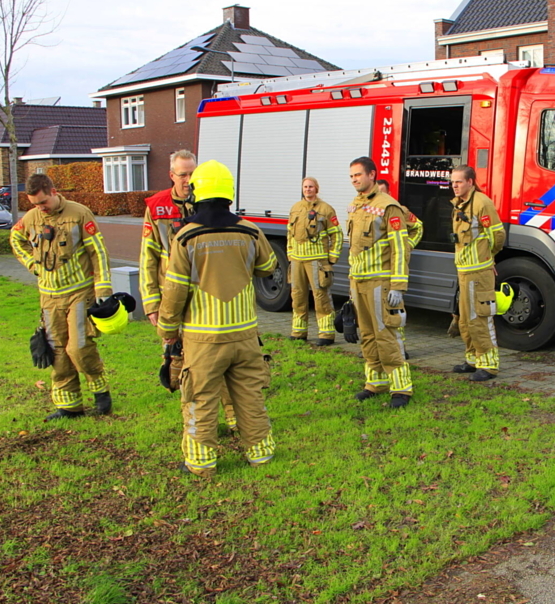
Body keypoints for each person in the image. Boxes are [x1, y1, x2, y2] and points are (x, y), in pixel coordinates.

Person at [157, 160, 278, 478]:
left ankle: (201, 463)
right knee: (249, 394)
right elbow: (269, 266)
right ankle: (260, 454)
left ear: (197, 192)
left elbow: (174, 292)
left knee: (201, 397)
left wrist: (167, 331)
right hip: (245, 335)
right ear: (229, 192)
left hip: (203, 338)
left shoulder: (185, 238)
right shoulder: (250, 230)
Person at [140, 150, 237, 431]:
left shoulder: (209, 203)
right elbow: (148, 257)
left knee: (219, 359)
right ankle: (196, 422)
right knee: (181, 363)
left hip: (208, 298)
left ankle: (233, 418)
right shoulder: (157, 207)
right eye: (182, 174)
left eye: (192, 174)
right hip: (172, 297)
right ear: (171, 175)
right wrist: (151, 303)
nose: (188, 180)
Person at [11, 173, 114, 420]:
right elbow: (15, 239)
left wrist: (103, 289)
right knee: (57, 351)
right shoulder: (31, 218)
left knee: (78, 347)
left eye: (43, 202)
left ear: (54, 192)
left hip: (79, 293)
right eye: (34, 204)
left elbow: (98, 252)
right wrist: (32, 265)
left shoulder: (79, 213)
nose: (40, 208)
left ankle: (100, 392)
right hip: (49, 297)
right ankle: (69, 406)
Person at [347, 158, 413, 408]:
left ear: (372, 175)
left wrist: (398, 285)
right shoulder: (355, 204)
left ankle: (401, 388)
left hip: (380, 282)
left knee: (386, 335)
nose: (354, 180)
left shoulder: (389, 206)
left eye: (358, 175)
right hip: (359, 281)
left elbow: (399, 248)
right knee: (367, 335)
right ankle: (375, 383)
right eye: (351, 176)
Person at [450, 165, 506, 382]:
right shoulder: (458, 205)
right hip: (464, 272)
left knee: (480, 319)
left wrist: (487, 258)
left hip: (479, 272)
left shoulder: (482, 203)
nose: (455, 186)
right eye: (453, 182)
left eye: (459, 182)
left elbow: (497, 236)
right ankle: (473, 359)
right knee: (465, 320)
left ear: (470, 182)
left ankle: (489, 365)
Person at [287, 177, 342, 346]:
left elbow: (337, 234)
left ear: (316, 189)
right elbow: (289, 232)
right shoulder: (296, 208)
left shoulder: (326, 209)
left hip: (317, 261)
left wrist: (332, 257)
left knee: (320, 296)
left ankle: (326, 334)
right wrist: (289, 252)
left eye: (311, 187)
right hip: (297, 260)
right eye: (305, 187)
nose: (308, 189)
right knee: (297, 295)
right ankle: (298, 332)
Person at [376, 179, 423, 353]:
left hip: (392, 269)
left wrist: (407, 245)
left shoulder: (399, 210)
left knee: (394, 311)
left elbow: (418, 227)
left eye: (382, 191)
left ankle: (399, 349)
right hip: (374, 270)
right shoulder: (369, 210)